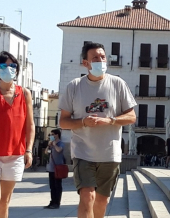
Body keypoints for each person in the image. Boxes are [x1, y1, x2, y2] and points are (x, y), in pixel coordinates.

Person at [58, 42, 137, 218]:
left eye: (102, 57)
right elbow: (63, 122)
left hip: (110, 154)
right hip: (83, 152)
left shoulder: (118, 84)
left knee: (101, 201)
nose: (100, 60)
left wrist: (111, 120)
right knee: (87, 196)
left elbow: (132, 117)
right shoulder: (74, 86)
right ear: (85, 63)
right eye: (95, 58)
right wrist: (84, 122)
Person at [0, 51, 35, 218]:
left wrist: (29, 150)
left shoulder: (25, 93)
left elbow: (30, 125)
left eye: (12, 66)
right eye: (4, 65)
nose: (9, 69)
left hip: (15, 154)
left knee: (5, 200)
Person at [44, 129, 65, 209]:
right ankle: (52, 201)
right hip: (51, 168)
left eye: (53, 134)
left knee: (57, 186)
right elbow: (46, 152)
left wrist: (55, 144)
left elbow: (59, 150)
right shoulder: (51, 144)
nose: (51, 136)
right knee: (52, 186)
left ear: (57, 135)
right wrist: (49, 145)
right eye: (51, 134)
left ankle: (57, 202)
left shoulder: (61, 143)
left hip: (58, 168)